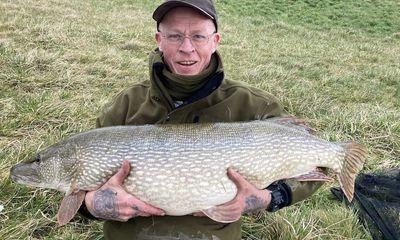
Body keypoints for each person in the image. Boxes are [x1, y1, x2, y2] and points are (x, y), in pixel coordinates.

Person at [79, 0, 324, 239]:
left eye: (198, 36)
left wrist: (270, 198)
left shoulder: (254, 105)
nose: (187, 48)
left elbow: (319, 160)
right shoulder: (125, 104)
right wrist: (91, 205)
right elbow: (80, 184)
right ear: (159, 40)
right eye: (175, 36)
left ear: (215, 41)